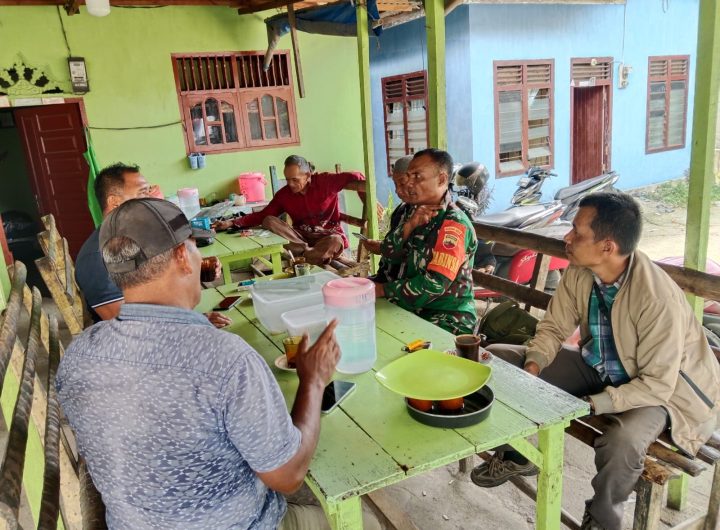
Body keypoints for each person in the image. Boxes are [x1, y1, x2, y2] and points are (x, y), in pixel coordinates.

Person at [57, 198, 379, 530]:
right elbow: (288, 475)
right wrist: (313, 380)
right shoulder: (226, 359)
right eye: (195, 247)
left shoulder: (78, 355)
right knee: (367, 522)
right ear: (182, 257)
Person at [470, 192, 720, 530]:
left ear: (607, 246)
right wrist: (533, 367)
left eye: (577, 232)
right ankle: (516, 455)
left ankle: (603, 518)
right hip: (601, 368)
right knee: (499, 361)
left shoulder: (656, 298)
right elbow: (554, 327)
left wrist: (592, 404)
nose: (567, 237)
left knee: (622, 442)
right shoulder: (581, 270)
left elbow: (657, 384)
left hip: (660, 392)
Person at [75, 163, 230, 328]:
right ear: (115, 202)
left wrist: (197, 268)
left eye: (149, 191)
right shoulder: (96, 258)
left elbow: (151, 280)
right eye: (143, 192)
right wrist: (191, 322)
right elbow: (129, 327)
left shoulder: (138, 235)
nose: (151, 199)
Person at [373, 148, 478, 336]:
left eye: (417, 177)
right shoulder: (413, 212)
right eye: (408, 176)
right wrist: (408, 226)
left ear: (441, 179)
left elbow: (434, 285)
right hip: (410, 307)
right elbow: (388, 253)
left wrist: (382, 290)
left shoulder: (453, 225)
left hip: (446, 318)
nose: (408, 184)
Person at [215, 155, 366, 267]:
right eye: (287, 180)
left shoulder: (326, 181)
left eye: (295, 180)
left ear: (308, 175)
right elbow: (263, 215)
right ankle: (310, 255)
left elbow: (357, 176)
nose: (290, 184)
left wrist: (368, 202)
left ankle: (306, 258)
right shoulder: (284, 195)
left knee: (336, 240)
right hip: (301, 240)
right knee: (269, 221)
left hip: (327, 239)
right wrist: (232, 222)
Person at [363, 155, 413, 284]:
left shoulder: (431, 216)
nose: (397, 191)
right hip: (384, 279)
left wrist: (382, 248)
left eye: (402, 183)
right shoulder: (401, 211)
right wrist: (382, 246)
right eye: (395, 184)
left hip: (402, 287)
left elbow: (414, 254)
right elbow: (396, 244)